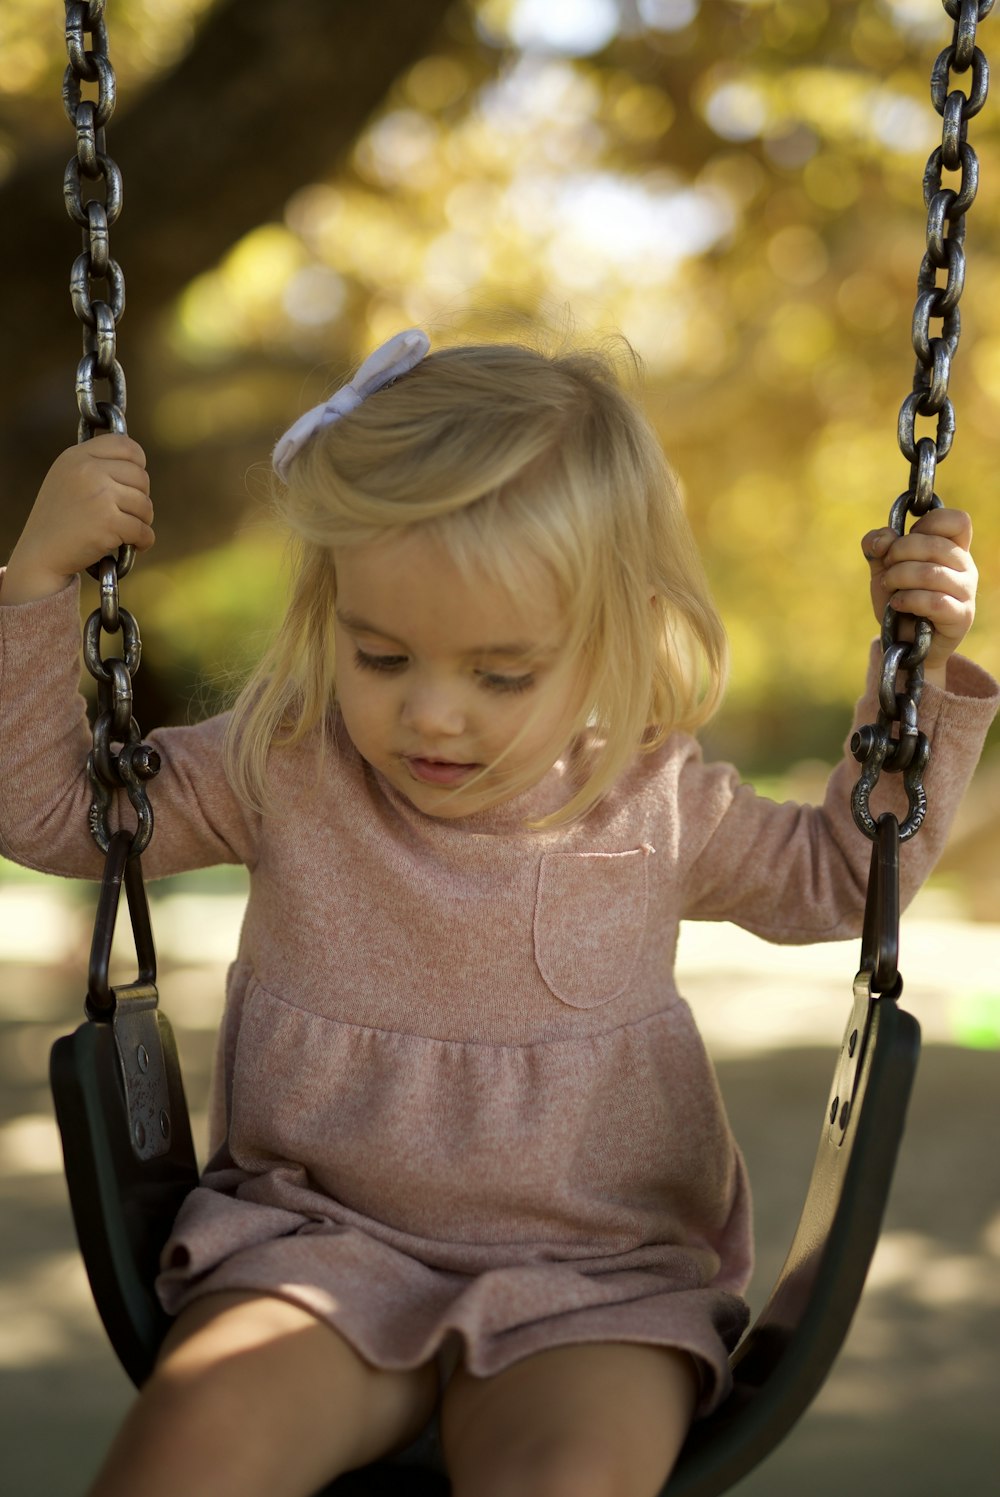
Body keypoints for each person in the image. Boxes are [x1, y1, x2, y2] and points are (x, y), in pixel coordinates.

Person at [0, 330, 995, 1497]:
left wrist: (917, 676)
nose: (432, 715)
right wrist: (33, 589)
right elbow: (60, 816)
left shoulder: (657, 797)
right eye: (379, 656)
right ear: (334, 616)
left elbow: (841, 875)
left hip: (599, 1285)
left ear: (610, 638)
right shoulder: (283, 767)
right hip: (311, 1254)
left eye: (502, 675)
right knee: (186, 1457)